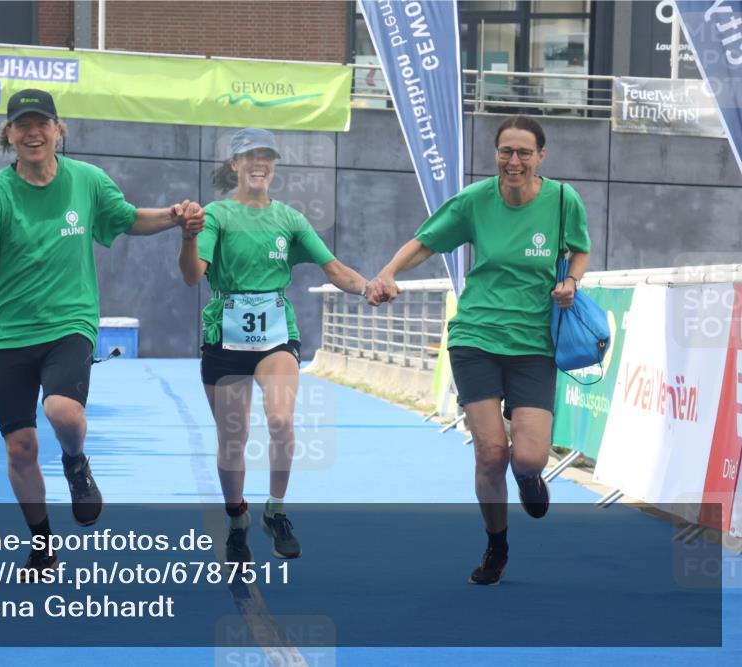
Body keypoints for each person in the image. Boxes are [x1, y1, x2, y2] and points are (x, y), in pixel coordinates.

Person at [0, 88, 204, 572]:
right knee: (20, 447)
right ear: (9, 135)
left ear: (60, 130)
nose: (33, 133)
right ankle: (42, 543)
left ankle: (75, 462)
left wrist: (172, 218)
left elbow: (126, 220)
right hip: (9, 331)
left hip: (70, 321)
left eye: (42, 123)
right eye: (22, 126)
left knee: (63, 411)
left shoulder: (87, 181)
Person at [368, 116, 591, 585]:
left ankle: (528, 477)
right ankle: (497, 545)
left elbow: (580, 249)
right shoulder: (474, 200)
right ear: (496, 154)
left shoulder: (563, 200)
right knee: (490, 452)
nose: (514, 161)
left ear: (540, 157)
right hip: (476, 337)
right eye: (506, 151)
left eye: (524, 153)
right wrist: (389, 272)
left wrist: (571, 280)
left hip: (534, 343)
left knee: (528, 456)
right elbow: (425, 242)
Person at [178, 128, 372, 563]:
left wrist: (368, 288)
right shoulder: (216, 216)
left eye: (266, 156)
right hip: (225, 340)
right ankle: (236, 519)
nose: (259, 163)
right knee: (233, 439)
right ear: (235, 165)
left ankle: (276, 510)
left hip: (275, 339)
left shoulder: (289, 219)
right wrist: (189, 237)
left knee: (281, 420)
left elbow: (334, 268)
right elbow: (193, 275)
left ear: (274, 165)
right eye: (249, 156)